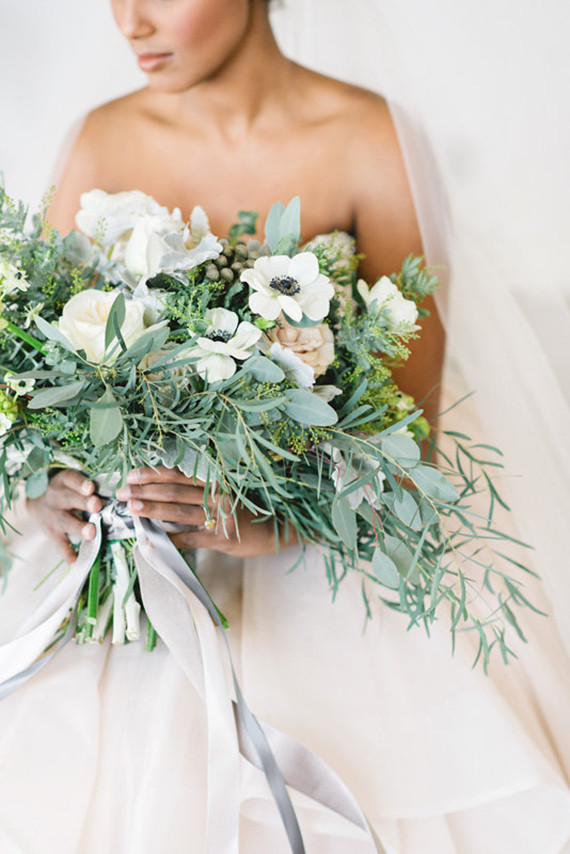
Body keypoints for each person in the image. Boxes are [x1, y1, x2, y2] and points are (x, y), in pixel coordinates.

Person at [1, 1, 569, 852]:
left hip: (329, 559)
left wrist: (277, 524)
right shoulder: (101, 137)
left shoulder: (369, 138)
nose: (130, 22)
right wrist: (48, 483)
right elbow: (37, 370)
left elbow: (409, 434)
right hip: (130, 565)